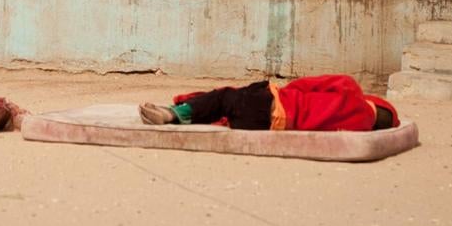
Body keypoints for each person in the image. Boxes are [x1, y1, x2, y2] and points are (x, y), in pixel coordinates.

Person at [139, 74, 400, 131]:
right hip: (265, 125)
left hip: (273, 103)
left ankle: (172, 113)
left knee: (224, 96)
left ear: (375, 102)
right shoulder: (358, 128)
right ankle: (182, 112)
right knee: (225, 107)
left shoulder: (351, 90)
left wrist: (283, 93)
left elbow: (305, 85)